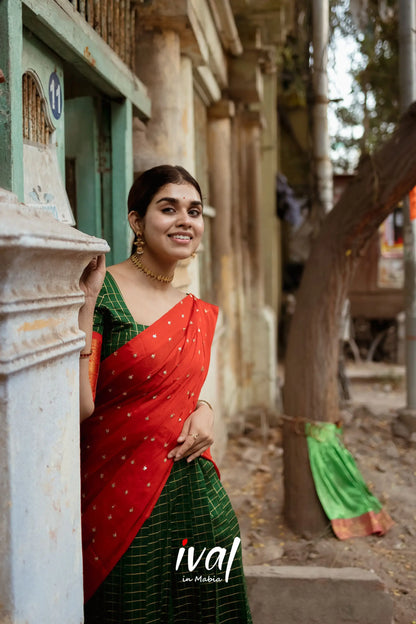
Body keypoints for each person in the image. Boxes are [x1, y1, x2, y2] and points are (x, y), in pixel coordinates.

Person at [79, 165, 253, 623]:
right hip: (121, 506)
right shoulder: (104, 291)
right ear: (137, 221)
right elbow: (80, 404)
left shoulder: (192, 309)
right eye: (168, 208)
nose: (184, 220)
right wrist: (84, 307)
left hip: (198, 508)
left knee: (206, 609)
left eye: (193, 211)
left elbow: (183, 387)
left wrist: (206, 407)